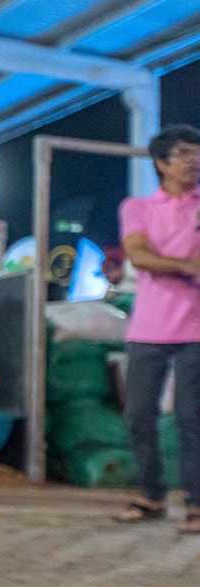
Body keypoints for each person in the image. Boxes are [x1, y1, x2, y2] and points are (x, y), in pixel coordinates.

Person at [114, 124, 200, 534]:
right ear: (161, 162)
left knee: (192, 417)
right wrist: (187, 265)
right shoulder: (138, 207)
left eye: (197, 152)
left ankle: (198, 505)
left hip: (196, 331)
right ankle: (151, 496)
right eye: (184, 153)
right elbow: (138, 255)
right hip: (147, 328)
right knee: (138, 415)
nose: (194, 160)